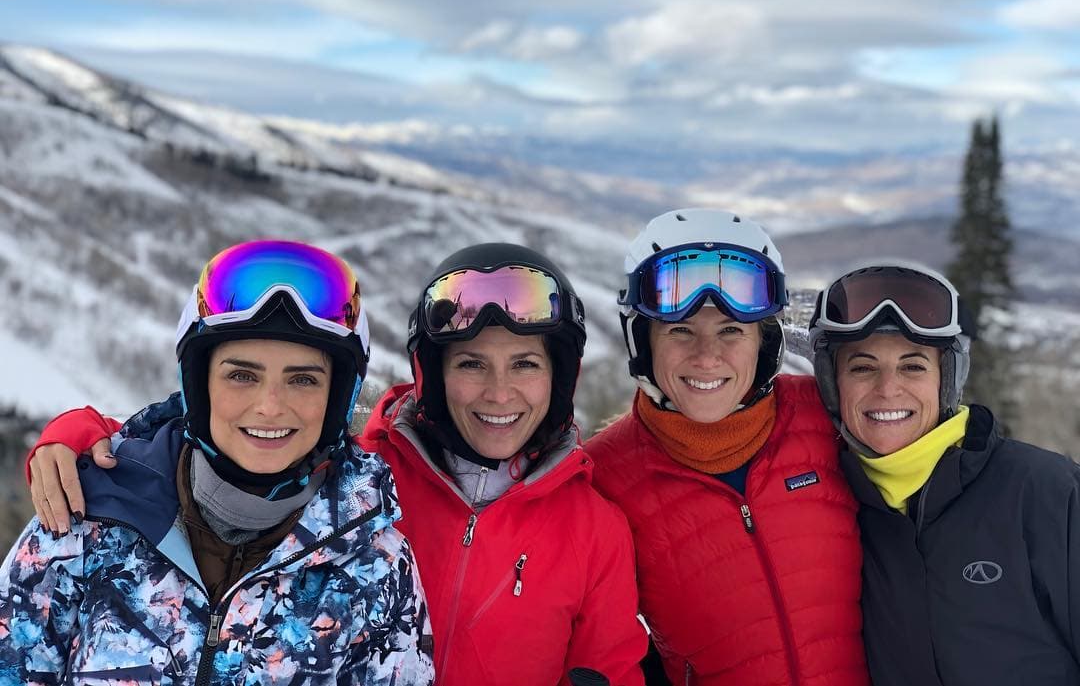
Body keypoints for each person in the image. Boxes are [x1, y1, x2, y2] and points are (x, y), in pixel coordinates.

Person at [23, 242, 648, 686]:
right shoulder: (369, 485)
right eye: (471, 364)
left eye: (526, 364)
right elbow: (227, 428)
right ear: (433, 377)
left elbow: (611, 670)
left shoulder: (587, 530)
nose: (499, 392)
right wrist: (91, 439)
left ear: (559, 378)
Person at [0, 239, 434, 684]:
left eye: (302, 379)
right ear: (199, 385)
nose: (269, 407)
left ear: (336, 399)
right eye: (242, 375)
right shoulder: (89, 520)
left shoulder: (374, 567)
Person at [585, 208, 869, 686]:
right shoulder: (603, 478)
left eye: (731, 331)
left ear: (764, 341)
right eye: (680, 330)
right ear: (644, 341)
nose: (706, 356)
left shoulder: (832, 418)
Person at [809, 261, 1080, 686]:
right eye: (862, 367)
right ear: (832, 384)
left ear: (946, 380)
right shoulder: (828, 512)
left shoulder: (1045, 492)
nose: (887, 388)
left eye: (913, 365)